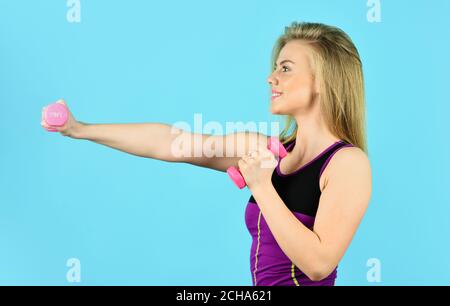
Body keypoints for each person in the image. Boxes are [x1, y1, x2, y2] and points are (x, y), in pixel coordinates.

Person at [41, 21, 372, 286]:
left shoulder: (347, 163)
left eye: (285, 68)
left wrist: (262, 186)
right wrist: (80, 129)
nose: (271, 78)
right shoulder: (266, 151)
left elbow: (318, 264)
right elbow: (170, 143)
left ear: (322, 81)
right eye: (275, 67)